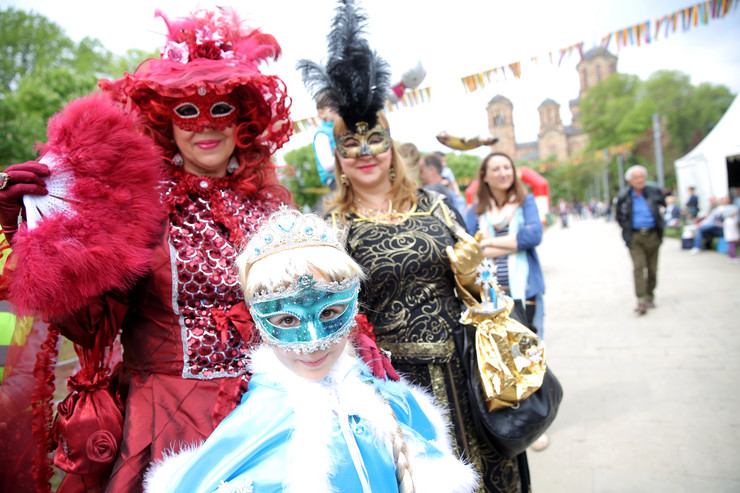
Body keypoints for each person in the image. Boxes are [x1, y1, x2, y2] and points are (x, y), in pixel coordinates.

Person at [0, 8, 389, 492]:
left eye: (221, 109)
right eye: (187, 110)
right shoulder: (137, 208)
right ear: (167, 122)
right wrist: (34, 231)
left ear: (243, 121)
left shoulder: (268, 207)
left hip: (274, 412)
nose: (206, 125)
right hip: (170, 422)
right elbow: (87, 324)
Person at [299, 2, 530, 490]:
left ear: (391, 147)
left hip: (466, 370)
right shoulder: (332, 225)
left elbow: (481, 287)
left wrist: (470, 273)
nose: (365, 153)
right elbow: (332, 311)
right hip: (396, 387)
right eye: (350, 144)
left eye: (375, 140)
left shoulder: (437, 204)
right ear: (336, 156)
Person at [143, 207, 479, 493]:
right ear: (258, 322)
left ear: (353, 305)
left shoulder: (393, 405)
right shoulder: (254, 426)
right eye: (287, 319)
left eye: (330, 312)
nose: (312, 341)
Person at [463, 153, 545, 338]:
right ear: (484, 175)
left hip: (526, 291)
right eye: (496, 169)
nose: (503, 173)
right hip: (487, 296)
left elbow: (532, 236)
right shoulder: (476, 211)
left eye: (507, 168)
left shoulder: (525, 202)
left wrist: (489, 242)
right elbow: (470, 250)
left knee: (530, 354)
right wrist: (514, 242)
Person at [615, 165, 666, 315]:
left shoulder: (653, 192)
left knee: (652, 269)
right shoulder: (624, 196)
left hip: (653, 235)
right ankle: (641, 300)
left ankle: (650, 295)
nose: (640, 180)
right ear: (629, 181)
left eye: (642, 177)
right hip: (635, 236)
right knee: (639, 267)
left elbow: (662, 206)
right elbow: (619, 216)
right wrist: (626, 228)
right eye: (636, 177)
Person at [312, 91, 339, 191]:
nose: (337, 107)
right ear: (322, 113)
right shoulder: (322, 134)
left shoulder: (345, 128)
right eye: (332, 105)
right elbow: (328, 165)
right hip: (336, 180)